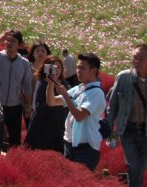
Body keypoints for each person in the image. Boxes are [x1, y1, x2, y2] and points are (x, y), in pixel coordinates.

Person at [53, 52, 107, 171]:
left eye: (82, 68)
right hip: (69, 142)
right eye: (77, 67)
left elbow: (79, 116)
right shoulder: (78, 89)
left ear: (93, 71)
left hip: (85, 147)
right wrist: (50, 83)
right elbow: (52, 102)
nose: (78, 71)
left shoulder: (96, 93)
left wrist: (66, 96)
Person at [0, 30, 33, 151]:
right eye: (7, 40)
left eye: (13, 41)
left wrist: (28, 105)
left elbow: (27, 86)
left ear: (20, 45)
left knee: (15, 139)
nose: (9, 43)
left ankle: (12, 163)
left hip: (15, 106)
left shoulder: (24, 63)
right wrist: (0, 38)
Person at [105, 44, 147, 187]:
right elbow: (112, 106)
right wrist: (110, 132)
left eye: (141, 58)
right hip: (128, 130)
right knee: (134, 166)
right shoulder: (123, 78)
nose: (136, 61)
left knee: (139, 168)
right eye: (134, 57)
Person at [24, 55, 67, 152]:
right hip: (44, 124)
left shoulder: (64, 84)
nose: (56, 70)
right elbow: (39, 105)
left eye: (59, 67)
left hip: (59, 125)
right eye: (53, 67)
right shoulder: (43, 83)